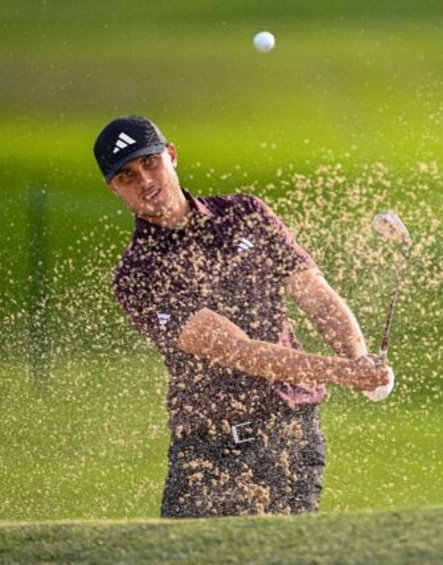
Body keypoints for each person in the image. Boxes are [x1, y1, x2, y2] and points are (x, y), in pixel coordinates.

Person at [93, 115, 391, 518]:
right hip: (207, 446)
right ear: (114, 188)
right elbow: (239, 351)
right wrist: (345, 372)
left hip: (290, 434)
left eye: (150, 163)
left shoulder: (244, 213)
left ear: (171, 155)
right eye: (127, 175)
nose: (145, 180)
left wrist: (359, 357)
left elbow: (314, 293)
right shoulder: (137, 274)